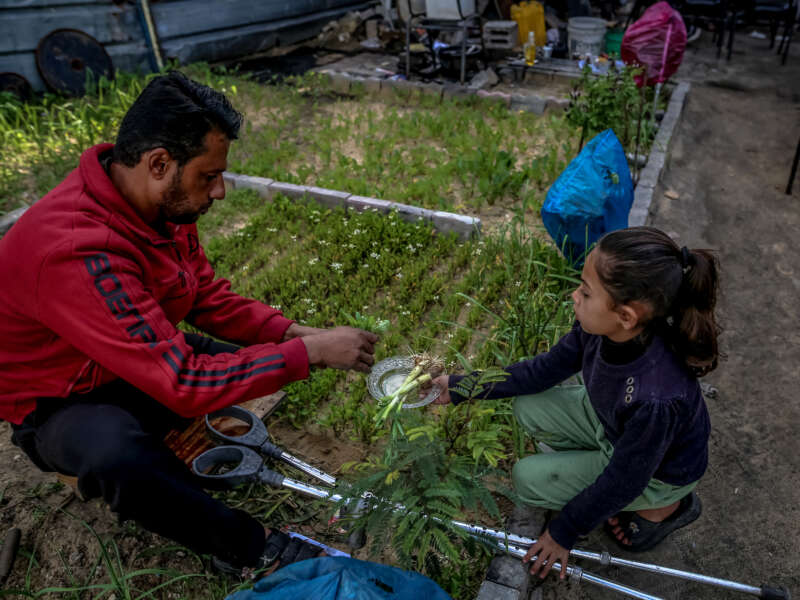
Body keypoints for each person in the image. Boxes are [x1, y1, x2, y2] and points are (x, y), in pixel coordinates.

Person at [0, 71, 378, 574]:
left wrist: (293, 334)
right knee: (120, 457)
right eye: (209, 175)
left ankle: (177, 448)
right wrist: (309, 354)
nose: (219, 190)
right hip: (58, 398)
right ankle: (247, 545)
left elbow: (205, 296)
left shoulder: (157, 210)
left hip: (128, 358)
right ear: (159, 163)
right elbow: (182, 382)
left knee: (239, 368)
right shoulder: (76, 248)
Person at [432, 226, 719, 580]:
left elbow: (625, 478)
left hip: (656, 470)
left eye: (585, 291)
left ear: (626, 315)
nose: (574, 296)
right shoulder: (601, 328)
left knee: (526, 479)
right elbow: (542, 371)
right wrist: (461, 387)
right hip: (614, 427)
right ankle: (595, 462)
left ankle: (666, 507)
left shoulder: (655, 397)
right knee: (527, 406)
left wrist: (562, 532)